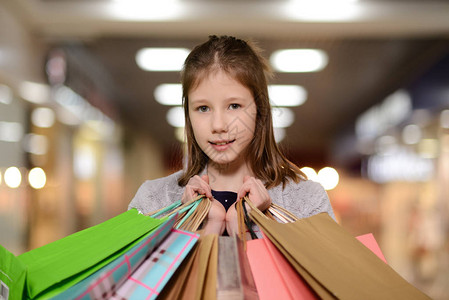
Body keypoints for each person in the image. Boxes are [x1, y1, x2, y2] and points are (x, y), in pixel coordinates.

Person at [128, 35, 335, 236]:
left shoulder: (306, 201)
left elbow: (325, 271)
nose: (218, 125)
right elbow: (132, 270)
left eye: (234, 106)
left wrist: (252, 225)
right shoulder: (153, 201)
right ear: (188, 114)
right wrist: (197, 225)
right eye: (202, 108)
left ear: (260, 110)